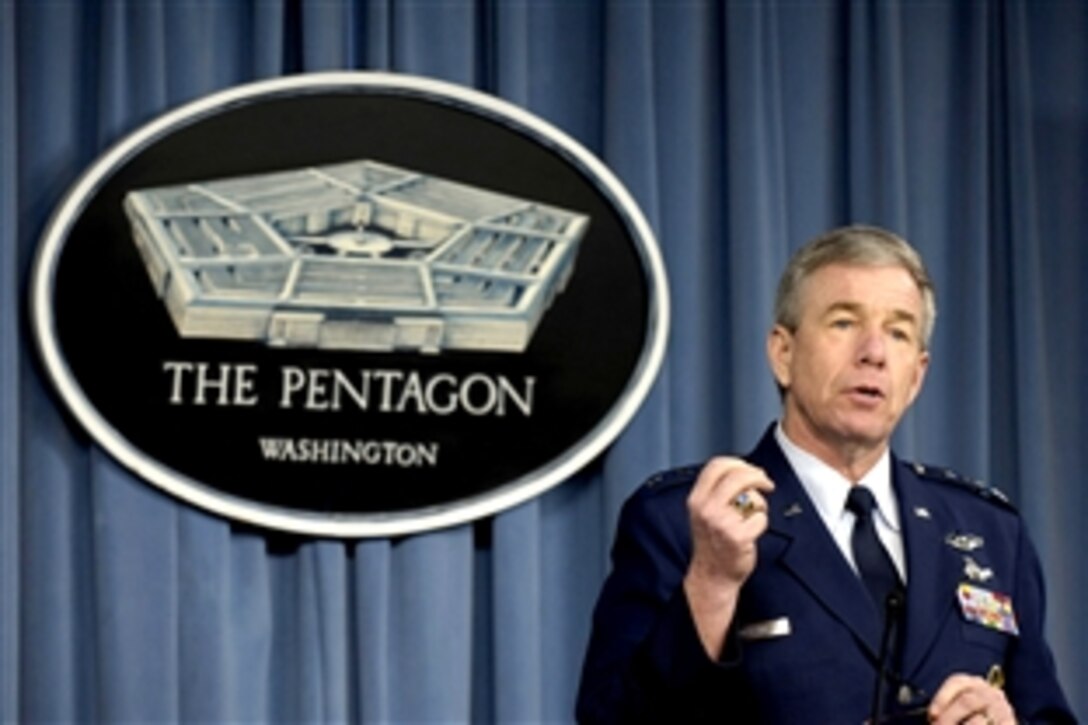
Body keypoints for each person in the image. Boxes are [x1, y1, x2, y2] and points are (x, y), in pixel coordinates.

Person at [575, 225, 1075, 724]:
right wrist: (711, 582)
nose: (873, 353)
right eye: (843, 323)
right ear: (783, 353)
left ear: (917, 375)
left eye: (898, 332)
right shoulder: (684, 521)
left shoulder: (989, 531)